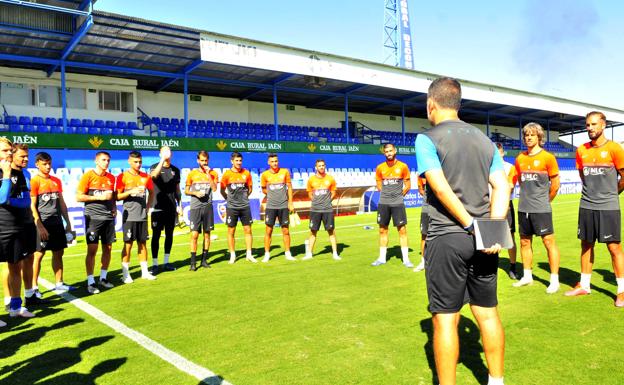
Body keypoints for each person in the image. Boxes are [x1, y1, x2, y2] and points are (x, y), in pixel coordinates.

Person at [415, 77, 508, 385]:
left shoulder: (427, 139)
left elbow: (440, 188)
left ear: (431, 104)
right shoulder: (485, 141)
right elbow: (501, 185)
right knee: (488, 313)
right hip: (486, 237)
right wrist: (491, 229)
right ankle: (496, 381)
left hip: (448, 236)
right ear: (458, 103)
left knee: (444, 320)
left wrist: (468, 224)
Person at [565, 111, 624, 307]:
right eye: (587, 125)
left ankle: (622, 291)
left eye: (593, 124)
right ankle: (584, 285)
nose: (590, 128)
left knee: (614, 248)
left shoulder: (615, 149)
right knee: (586, 245)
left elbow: (623, 177)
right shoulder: (581, 150)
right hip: (587, 204)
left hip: (608, 206)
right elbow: (583, 176)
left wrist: (611, 194)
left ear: (603, 125)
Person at [509, 124, 561, 293]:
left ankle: (554, 280)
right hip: (524, 207)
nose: (529, 138)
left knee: (548, 242)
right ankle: (527, 276)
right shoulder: (520, 159)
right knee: (524, 242)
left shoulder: (548, 157)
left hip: (541, 208)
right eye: (526, 135)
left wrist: (545, 202)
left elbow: (555, 186)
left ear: (539, 137)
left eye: (532, 135)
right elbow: (514, 182)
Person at [31, 152, 75, 296]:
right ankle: (34, 288)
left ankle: (59, 283)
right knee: (38, 255)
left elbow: (62, 203)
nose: (48, 166)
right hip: (43, 223)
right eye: (44, 164)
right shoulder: (34, 181)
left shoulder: (56, 180)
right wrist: (40, 226)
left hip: (57, 223)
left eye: (49, 163)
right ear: (37, 164)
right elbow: (32, 206)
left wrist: (68, 222)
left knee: (58, 253)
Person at [0, 139, 35, 320]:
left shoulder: (20, 174)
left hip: (16, 226)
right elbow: (1, 198)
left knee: (16, 267)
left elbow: (26, 201)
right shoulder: (4, 173)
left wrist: (10, 201)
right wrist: (6, 180)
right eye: (6, 150)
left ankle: (15, 307)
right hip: (2, 227)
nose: (9, 153)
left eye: (9, 150)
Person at [76, 151, 116, 294]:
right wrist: (98, 198)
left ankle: (103, 278)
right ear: (96, 161)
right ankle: (91, 281)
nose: (106, 162)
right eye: (104, 160)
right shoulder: (88, 176)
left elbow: (112, 197)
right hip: (93, 217)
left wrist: (114, 208)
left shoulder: (111, 178)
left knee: (108, 248)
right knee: (92, 250)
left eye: (108, 160)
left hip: (108, 218)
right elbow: (79, 197)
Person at [371, 143, 413, 268]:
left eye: (390, 151)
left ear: (395, 151)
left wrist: (399, 196)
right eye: (386, 151)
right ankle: (382, 258)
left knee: (402, 230)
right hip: (383, 203)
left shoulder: (403, 166)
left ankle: (406, 259)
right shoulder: (380, 168)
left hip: (398, 203)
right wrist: (384, 193)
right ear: (384, 153)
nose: (389, 153)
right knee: (382, 230)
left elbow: (408, 185)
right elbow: (378, 183)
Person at [116, 151, 155, 283]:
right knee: (128, 245)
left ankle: (145, 272)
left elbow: (152, 193)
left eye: (140, 162)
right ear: (129, 161)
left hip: (142, 216)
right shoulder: (122, 176)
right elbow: (117, 196)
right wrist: (131, 191)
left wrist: (148, 206)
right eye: (135, 162)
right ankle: (125, 274)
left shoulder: (146, 177)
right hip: (129, 216)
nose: (138, 164)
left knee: (143, 244)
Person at [149, 146, 181, 274]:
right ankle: (155, 264)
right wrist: (162, 160)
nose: (168, 154)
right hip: (157, 207)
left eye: (169, 152)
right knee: (156, 236)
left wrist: (180, 205)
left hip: (171, 208)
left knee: (169, 235)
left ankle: (166, 262)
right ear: (160, 154)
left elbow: (177, 190)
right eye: (164, 152)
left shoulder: (175, 170)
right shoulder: (154, 166)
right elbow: (153, 176)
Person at [185, 150, 218, 270]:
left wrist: (209, 174)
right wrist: (195, 193)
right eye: (202, 160)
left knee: (207, 234)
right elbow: (186, 191)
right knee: (194, 235)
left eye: (206, 160)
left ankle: (204, 261)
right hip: (195, 207)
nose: (204, 163)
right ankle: (193, 263)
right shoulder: (192, 174)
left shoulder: (213, 173)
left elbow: (214, 189)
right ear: (198, 160)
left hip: (208, 206)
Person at [260, 153, 296, 262]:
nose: (274, 163)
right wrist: (272, 195)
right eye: (272, 161)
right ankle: (267, 254)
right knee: (268, 230)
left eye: (276, 161)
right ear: (268, 162)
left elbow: (289, 188)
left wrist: (290, 202)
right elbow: (263, 189)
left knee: (285, 230)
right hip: (271, 206)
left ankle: (288, 253)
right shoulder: (264, 175)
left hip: (283, 206)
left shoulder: (285, 172)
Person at [220, 152, 255, 264]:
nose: (239, 163)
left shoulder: (246, 173)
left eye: (240, 160)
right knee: (231, 231)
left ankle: (249, 254)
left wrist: (244, 198)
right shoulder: (226, 174)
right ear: (232, 161)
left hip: (244, 206)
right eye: (237, 160)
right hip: (232, 207)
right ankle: (232, 255)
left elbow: (250, 189)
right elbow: (222, 190)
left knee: (248, 230)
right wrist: (228, 198)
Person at [304, 159, 341, 261]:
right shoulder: (311, 180)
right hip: (315, 209)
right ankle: (309, 254)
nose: (321, 167)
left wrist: (328, 200)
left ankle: (335, 253)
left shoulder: (330, 179)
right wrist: (316, 201)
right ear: (316, 167)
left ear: (325, 166)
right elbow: (309, 193)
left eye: (323, 165)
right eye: (319, 166)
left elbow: (334, 192)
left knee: (331, 231)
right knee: (313, 232)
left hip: (327, 209)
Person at [496, 143, 519, 280]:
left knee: (509, 238)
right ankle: (492, 265)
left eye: (498, 152)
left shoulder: (510, 168)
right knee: (490, 236)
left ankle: (513, 266)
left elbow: (509, 187)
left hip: (506, 205)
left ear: (503, 153)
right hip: (489, 205)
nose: (496, 155)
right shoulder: (486, 167)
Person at [413, 174, 428, 272]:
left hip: (441, 209)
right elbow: (421, 190)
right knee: (424, 235)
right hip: (426, 208)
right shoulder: (421, 174)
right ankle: (423, 262)